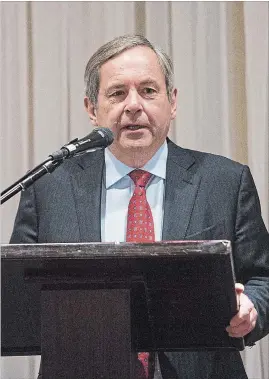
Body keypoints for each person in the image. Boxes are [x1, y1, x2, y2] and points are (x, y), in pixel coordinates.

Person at [10, 35, 269, 379]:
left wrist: (251, 307)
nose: (133, 105)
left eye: (148, 91)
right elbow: (16, 295)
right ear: (92, 108)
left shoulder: (224, 181)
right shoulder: (48, 187)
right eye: (117, 93)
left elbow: (263, 279)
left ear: (172, 101)